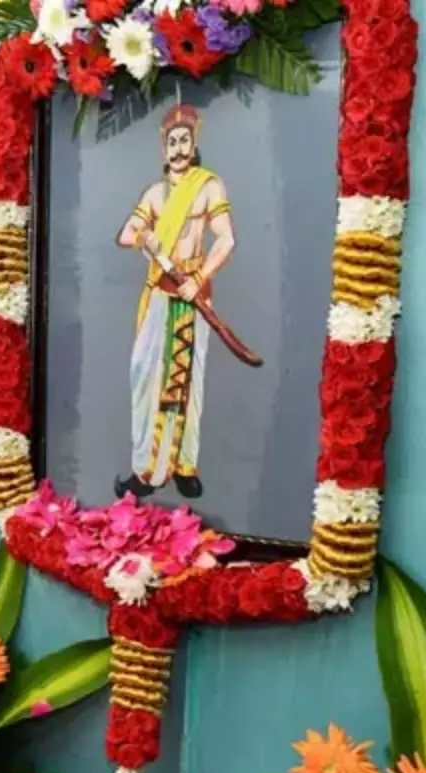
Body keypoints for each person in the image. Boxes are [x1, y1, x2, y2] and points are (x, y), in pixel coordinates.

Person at [113, 103, 237, 501]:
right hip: (160, 292)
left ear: (194, 144)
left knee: (188, 382)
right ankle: (145, 469)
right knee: (146, 376)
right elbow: (126, 236)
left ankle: (184, 466)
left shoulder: (209, 186)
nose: (179, 148)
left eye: (184, 141)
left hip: (192, 294)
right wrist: (143, 237)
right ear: (164, 149)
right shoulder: (154, 194)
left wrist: (198, 279)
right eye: (172, 142)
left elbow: (226, 239)